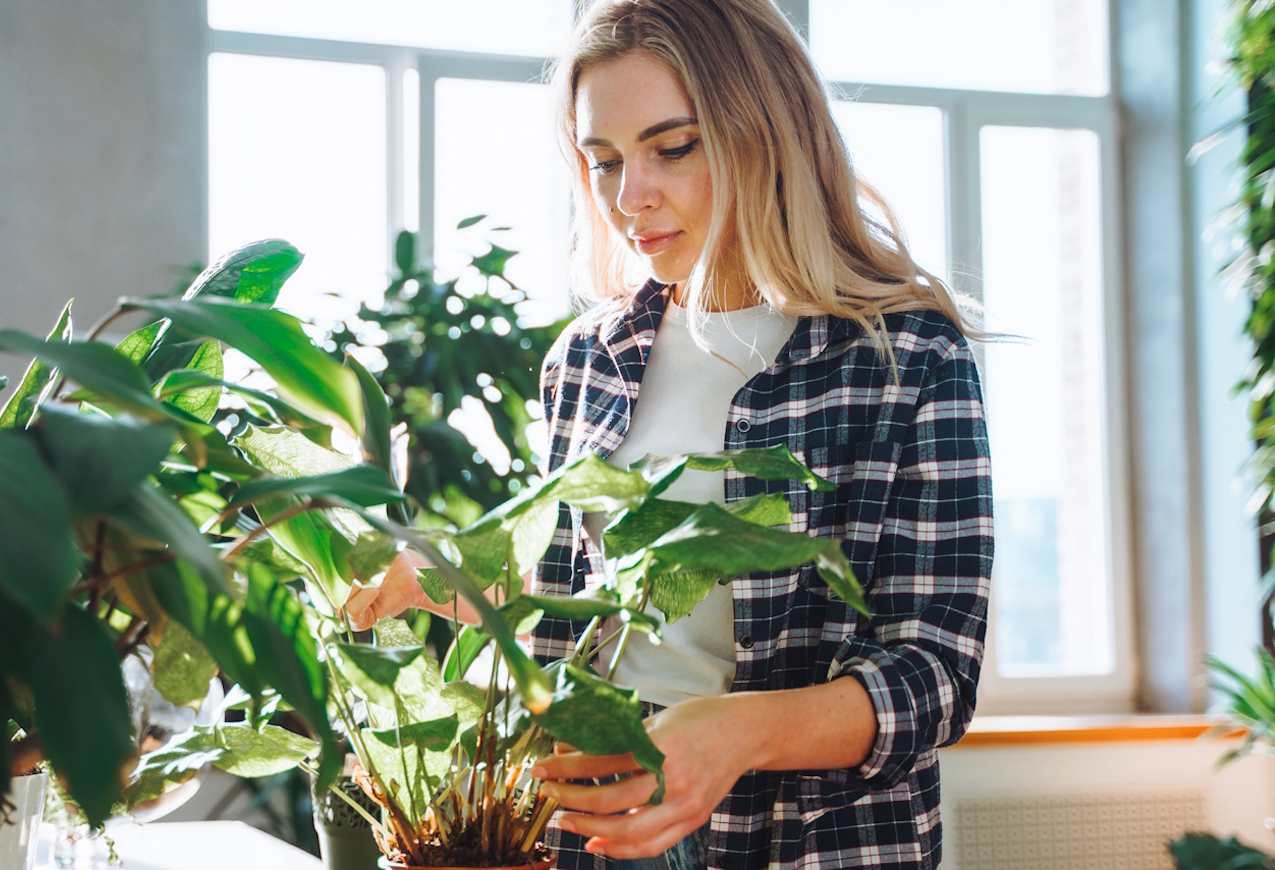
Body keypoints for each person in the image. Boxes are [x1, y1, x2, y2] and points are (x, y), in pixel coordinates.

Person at [346, 1, 993, 868]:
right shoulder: (588, 359)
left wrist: (734, 736)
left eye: (672, 147)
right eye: (603, 160)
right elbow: (568, 611)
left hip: (809, 844)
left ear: (765, 132)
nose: (628, 197)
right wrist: (434, 577)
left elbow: (936, 678)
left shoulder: (903, 356)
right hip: (595, 835)